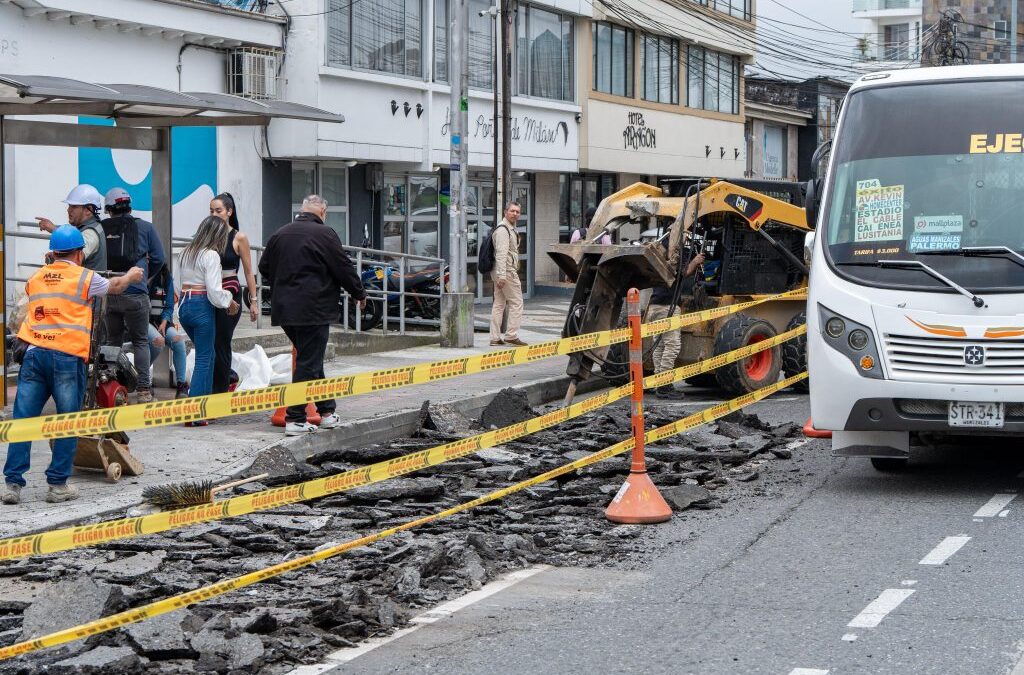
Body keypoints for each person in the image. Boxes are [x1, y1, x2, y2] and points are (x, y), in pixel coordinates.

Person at [2, 226, 143, 505]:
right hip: (66, 357)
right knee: (67, 421)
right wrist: (131, 275)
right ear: (80, 253)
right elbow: (114, 287)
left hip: (34, 355)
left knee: (23, 421)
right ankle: (57, 485)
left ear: (53, 252)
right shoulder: (85, 277)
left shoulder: (36, 277)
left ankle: (12, 485)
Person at [259, 194, 366, 436]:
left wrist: (283, 283)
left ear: (302, 210)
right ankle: (295, 418)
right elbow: (343, 268)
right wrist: (359, 293)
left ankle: (327, 412)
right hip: (314, 309)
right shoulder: (325, 234)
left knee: (311, 359)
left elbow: (264, 267)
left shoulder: (280, 234)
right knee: (309, 362)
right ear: (323, 213)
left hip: (285, 310)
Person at [101, 188, 166, 403]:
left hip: (110, 291)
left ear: (109, 208)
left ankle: (111, 385)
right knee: (140, 341)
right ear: (129, 205)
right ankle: (144, 390)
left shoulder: (102, 228)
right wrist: (145, 277)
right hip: (136, 293)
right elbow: (159, 258)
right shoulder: (146, 228)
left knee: (113, 340)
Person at [177, 216, 240, 426]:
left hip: (185, 306)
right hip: (202, 305)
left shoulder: (186, 252)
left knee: (208, 354)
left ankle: (203, 409)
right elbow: (214, 291)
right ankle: (193, 412)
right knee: (204, 358)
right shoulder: (211, 255)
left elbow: (178, 285)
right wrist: (229, 301)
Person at [209, 193, 259, 395]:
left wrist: (253, 301)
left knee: (222, 341)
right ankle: (221, 381)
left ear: (229, 212)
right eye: (211, 211)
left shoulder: (239, 237)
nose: (214, 214)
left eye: (218, 210)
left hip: (230, 295)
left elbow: (248, 271)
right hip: (209, 294)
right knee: (209, 342)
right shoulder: (207, 235)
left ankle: (219, 391)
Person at [648, 251, 705, 399]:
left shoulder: (659, 259)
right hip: (667, 306)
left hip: (655, 305)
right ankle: (664, 385)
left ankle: (658, 381)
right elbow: (683, 273)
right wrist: (695, 261)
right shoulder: (672, 259)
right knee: (672, 345)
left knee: (659, 344)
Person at [35, 184, 107, 271]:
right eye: (69, 206)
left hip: (85, 284)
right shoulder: (93, 227)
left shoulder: (91, 232)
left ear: (88, 210)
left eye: (74, 206)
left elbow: (75, 258)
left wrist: (55, 230)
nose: (68, 210)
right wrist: (56, 256)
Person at [148, 264, 189, 399]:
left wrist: (165, 322)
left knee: (179, 342)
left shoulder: (166, 277)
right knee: (157, 342)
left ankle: (181, 385)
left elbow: (169, 306)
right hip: (145, 321)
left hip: (163, 322)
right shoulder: (142, 274)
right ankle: (144, 380)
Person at [489, 202, 527, 347]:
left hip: (501, 271)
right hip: (506, 271)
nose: (515, 214)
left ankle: (494, 337)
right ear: (505, 212)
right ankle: (511, 335)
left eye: (517, 212)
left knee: (499, 304)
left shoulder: (509, 228)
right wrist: (502, 275)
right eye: (512, 211)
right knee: (517, 302)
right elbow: (501, 254)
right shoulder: (503, 230)